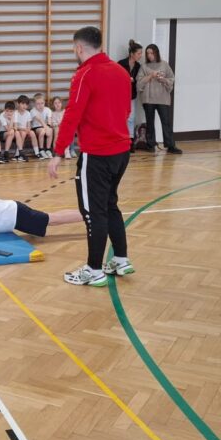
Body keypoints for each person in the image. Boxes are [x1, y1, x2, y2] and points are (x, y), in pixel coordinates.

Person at [48, 26, 135, 286]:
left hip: (97, 155)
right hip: (122, 151)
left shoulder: (84, 74)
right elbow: (127, 110)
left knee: (93, 212)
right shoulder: (121, 72)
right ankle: (120, 259)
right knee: (110, 205)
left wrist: (58, 152)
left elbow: (72, 114)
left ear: (79, 48)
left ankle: (94, 270)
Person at [138, 43, 181, 154]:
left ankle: (171, 145)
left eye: (151, 53)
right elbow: (139, 83)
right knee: (150, 123)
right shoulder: (144, 67)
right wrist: (150, 76)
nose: (149, 55)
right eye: (147, 53)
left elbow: (171, 79)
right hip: (148, 99)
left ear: (156, 53)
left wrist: (163, 79)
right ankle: (150, 144)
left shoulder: (164, 65)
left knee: (166, 122)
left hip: (162, 99)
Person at [118, 39, 143, 143]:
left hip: (132, 94)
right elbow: (115, 78)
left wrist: (134, 80)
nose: (140, 55)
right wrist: (126, 79)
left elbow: (139, 80)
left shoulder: (138, 66)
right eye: (139, 53)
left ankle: (130, 139)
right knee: (121, 117)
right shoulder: (121, 63)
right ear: (132, 54)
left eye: (141, 53)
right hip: (120, 95)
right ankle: (121, 139)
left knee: (131, 118)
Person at [14, 95, 38, 160]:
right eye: (23, 104)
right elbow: (15, 127)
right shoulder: (15, 113)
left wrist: (28, 129)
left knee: (32, 133)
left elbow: (29, 125)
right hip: (19, 130)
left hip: (25, 130)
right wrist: (24, 129)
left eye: (26, 104)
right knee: (23, 133)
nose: (24, 106)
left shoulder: (28, 113)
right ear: (18, 104)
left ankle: (37, 152)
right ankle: (18, 153)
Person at [32, 94, 53, 160]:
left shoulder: (48, 110)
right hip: (37, 127)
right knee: (43, 131)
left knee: (50, 130)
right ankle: (41, 150)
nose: (40, 105)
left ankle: (48, 149)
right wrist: (46, 128)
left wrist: (48, 127)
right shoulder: (33, 111)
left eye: (42, 103)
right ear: (35, 104)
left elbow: (49, 121)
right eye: (38, 104)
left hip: (46, 126)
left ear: (44, 103)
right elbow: (40, 120)